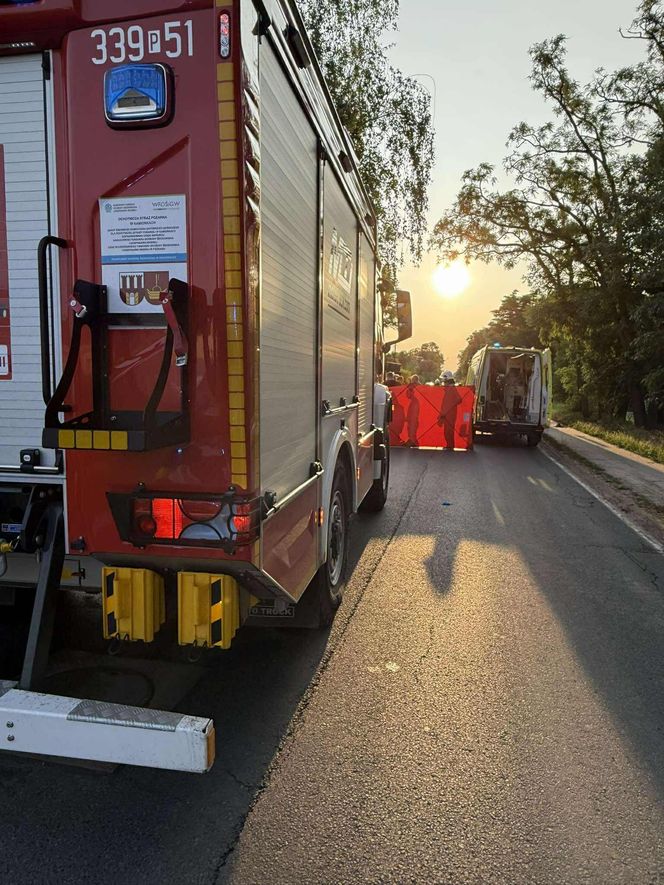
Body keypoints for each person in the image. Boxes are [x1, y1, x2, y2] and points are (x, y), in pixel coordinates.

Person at [437, 371, 462, 450]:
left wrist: (450, 406)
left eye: (444, 381)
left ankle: (450, 446)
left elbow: (459, 399)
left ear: (447, 379)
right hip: (447, 414)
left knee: (449, 431)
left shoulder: (452, 389)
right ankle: (449, 445)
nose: (443, 383)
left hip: (450, 415)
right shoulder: (449, 389)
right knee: (447, 431)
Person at [405, 374, 420, 446]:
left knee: (412, 427)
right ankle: (412, 440)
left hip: (414, 416)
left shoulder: (415, 389)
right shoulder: (418, 389)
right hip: (413, 415)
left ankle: (412, 441)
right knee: (411, 427)